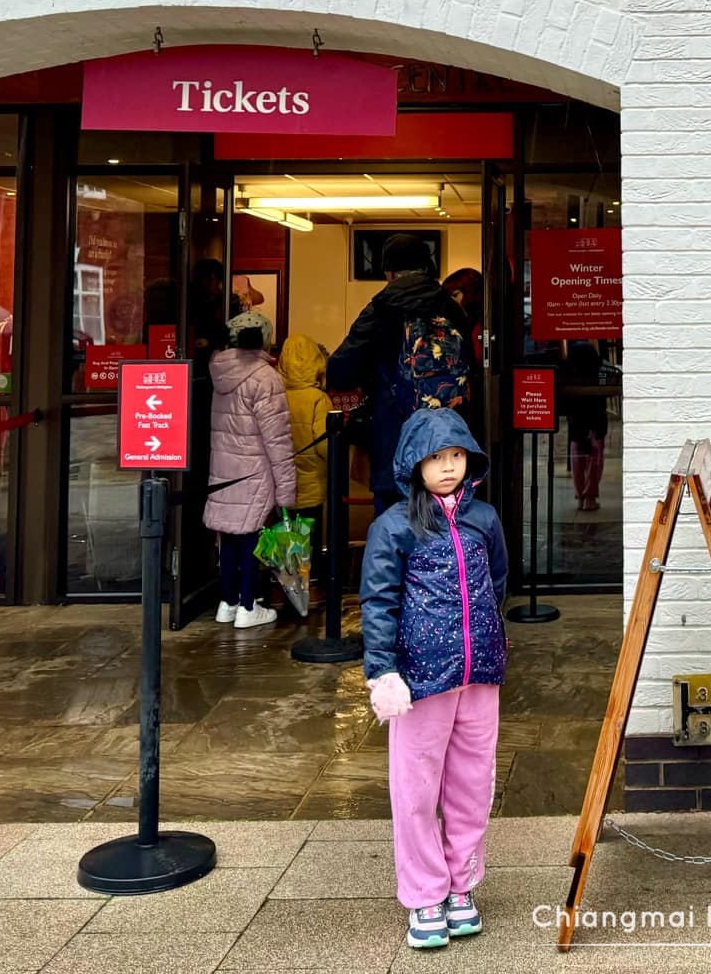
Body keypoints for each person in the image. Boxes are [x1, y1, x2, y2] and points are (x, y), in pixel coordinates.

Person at [359, 407, 507, 950]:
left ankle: (461, 885)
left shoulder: (484, 518)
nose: (448, 467)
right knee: (416, 789)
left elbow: (497, 581)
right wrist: (382, 670)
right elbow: (378, 601)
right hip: (421, 678)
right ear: (414, 463)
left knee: (472, 786)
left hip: (479, 673)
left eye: (457, 455)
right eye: (437, 457)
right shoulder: (393, 526)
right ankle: (425, 893)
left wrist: (487, 637)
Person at [328, 233, 481, 516]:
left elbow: (340, 372)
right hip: (447, 444)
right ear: (427, 266)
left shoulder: (380, 309)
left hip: (394, 441)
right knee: (444, 527)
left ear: (388, 271)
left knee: (393, 530)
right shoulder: (451, 308)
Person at [205, 310, 296, 630]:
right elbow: (277, 439)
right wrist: (286, 491)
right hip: (255, 471)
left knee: (229, 536)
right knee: (251, 537)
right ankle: (247, 606)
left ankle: (227, 602)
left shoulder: (219, 370)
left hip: (224, 469)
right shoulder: (265, 377)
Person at [279, 333, 333, 589]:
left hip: (282, 480)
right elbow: (324, 444)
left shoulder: (276, 395)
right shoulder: (318, 399)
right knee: (310, 536)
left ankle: (289, 587)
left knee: (287, 536)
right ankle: (311, 588)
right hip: (311, 482)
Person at [563, 340, 608, 512]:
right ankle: (590, 496)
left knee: (577, 456)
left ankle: (580, 497)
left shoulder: (571, 374)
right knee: (595, 458)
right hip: (596, 418)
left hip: (577, 420)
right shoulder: (598, 374)